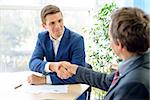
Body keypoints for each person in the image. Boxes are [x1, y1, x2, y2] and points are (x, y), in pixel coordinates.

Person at [57, 7, 150, 100]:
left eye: (110, 38)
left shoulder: (134, 85)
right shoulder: (138, 65)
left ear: (119, 44)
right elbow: (106, 81)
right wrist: (74, 69)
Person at [28, 4, 87, 100]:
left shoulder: (77, 40)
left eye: (60, 21)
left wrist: (45, 80)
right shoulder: (42, 37)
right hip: (51, 91)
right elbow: (33, 62)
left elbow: (78, 75)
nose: (58, 26)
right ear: (44, 26)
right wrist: (52, 66)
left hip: (72, 91)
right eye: (52, 23)